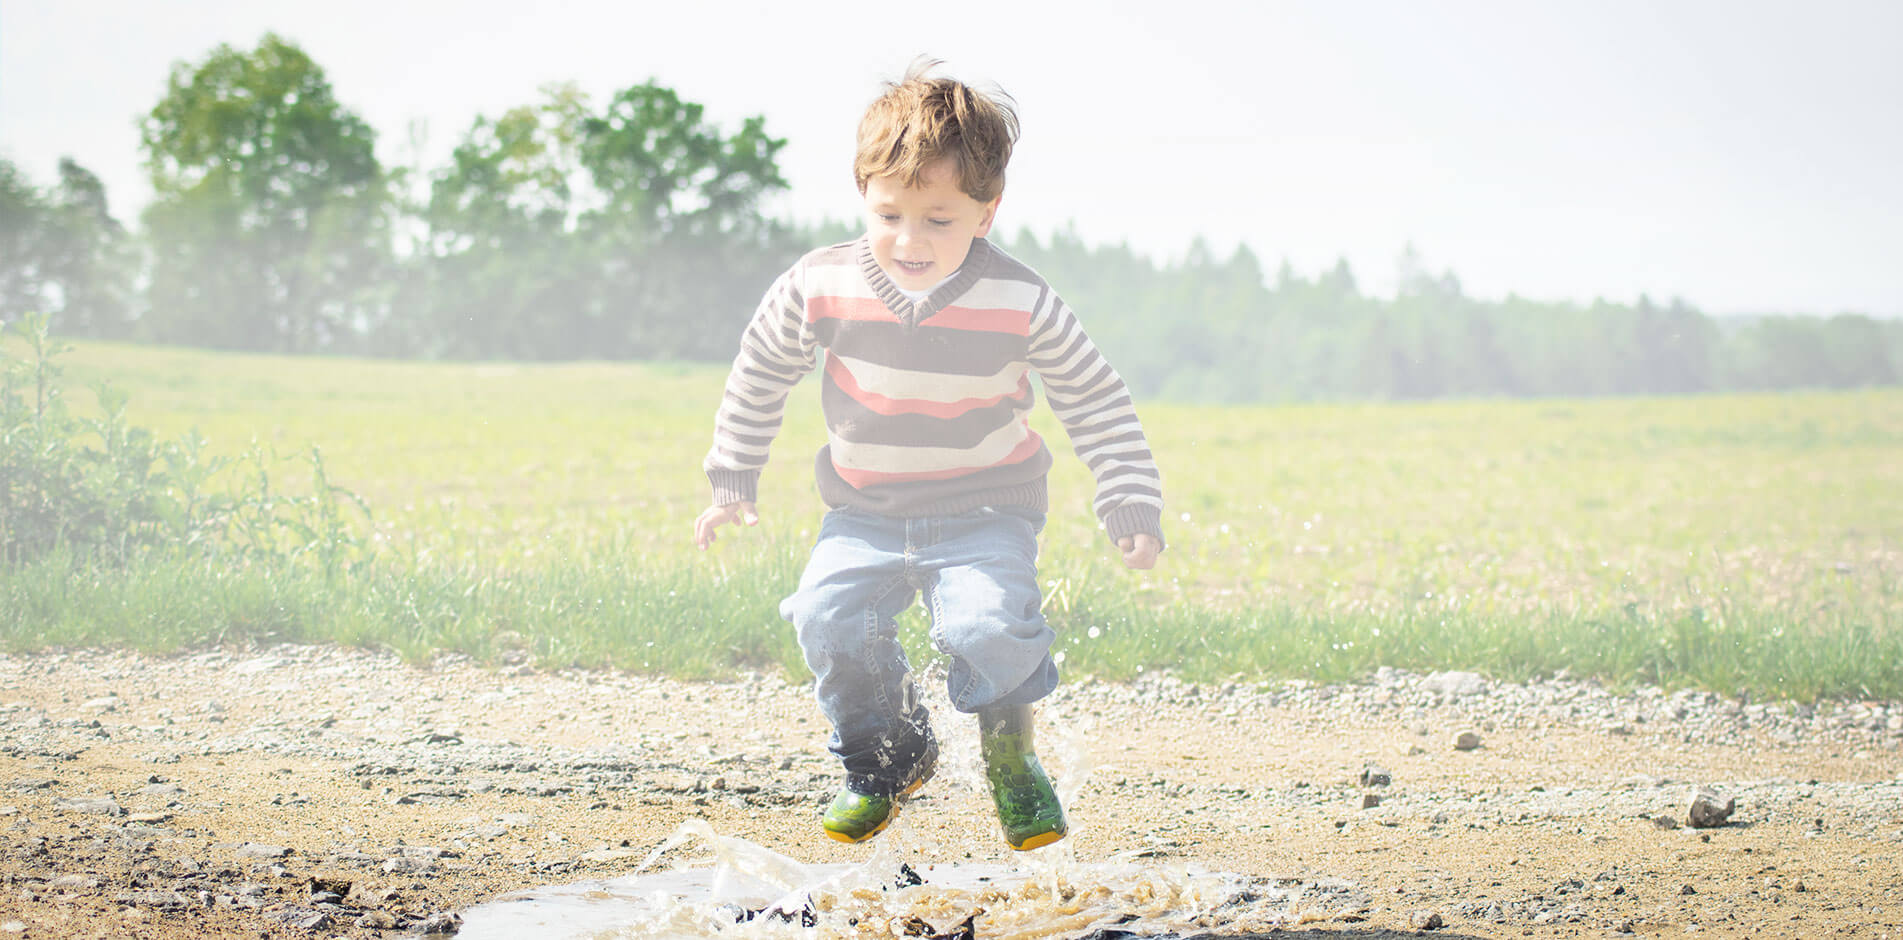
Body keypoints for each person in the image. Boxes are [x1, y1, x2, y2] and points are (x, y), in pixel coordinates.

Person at [694, 59, 1164, 852]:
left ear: (986, 212)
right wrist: (731, 477)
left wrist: (1127, 501)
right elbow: (759, 372)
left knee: (985, 627)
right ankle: (886, 758)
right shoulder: (819, 283)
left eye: (938, 220)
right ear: (864, 197)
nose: (909, 241)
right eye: (889, 215)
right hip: (862, 511)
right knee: (826, 618)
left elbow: (1094, 399)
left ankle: (1010, 751)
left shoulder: (1023, 301)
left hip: (987, 511)